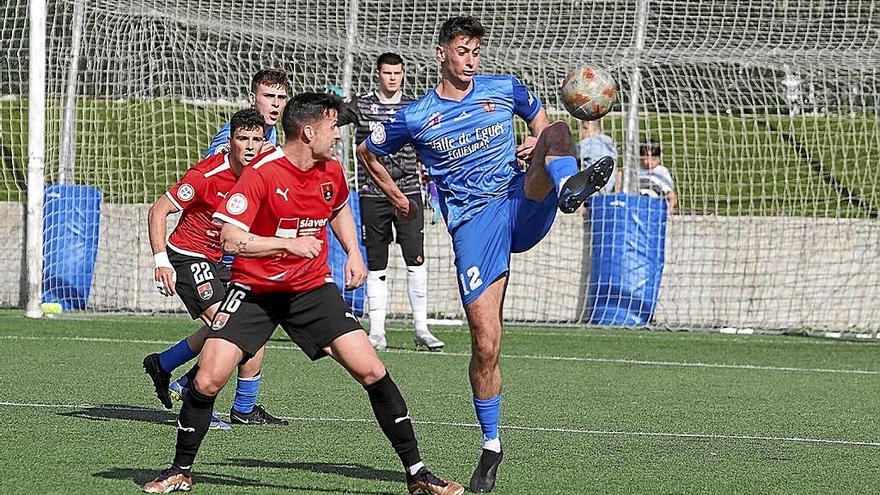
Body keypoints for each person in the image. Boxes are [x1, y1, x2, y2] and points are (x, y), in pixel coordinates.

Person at [143, 92, 463, 495]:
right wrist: (285, 246)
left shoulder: (330, 169)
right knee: (207, 380)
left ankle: (418, 475)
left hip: (311, 289)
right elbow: (230, 239)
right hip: (254, 291)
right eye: (333, 128)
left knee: (372, 370)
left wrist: (352, 253)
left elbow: (340, 207)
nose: (338, 136)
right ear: (309, 132)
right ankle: (180, 470)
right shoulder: (260, 173)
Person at [356, 16, 613, 493]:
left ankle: (568, 186)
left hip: (519, 199)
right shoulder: (416, 116)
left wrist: (535, 141)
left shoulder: (503, 89)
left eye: (476, 51)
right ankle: (492, 445)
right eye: (462, 51)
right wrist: (396, 197)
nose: (470, 60)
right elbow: (368, 152)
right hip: (474, 227)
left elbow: (539, 123)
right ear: (441, 54)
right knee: (486, 343)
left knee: (557, 131)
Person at [144, 69, 291, 430]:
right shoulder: (218, 159)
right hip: (192, 255)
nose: (251, 146)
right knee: (229, 329)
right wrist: (160, 260)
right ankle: (195, 397)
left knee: (253, 327)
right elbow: (163, 208)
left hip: (225, 255)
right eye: (268, 96)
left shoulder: (268, 148)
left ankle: (170, 369)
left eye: (281, 97)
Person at [337, 52, 444, 352]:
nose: (393, 78)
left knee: (416, 259)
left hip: (409, 191)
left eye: (397, 73)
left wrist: (434, 183)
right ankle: (377, 331)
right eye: (387, 73)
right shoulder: (361, 105)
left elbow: (429, 144)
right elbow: (331, 120)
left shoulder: (414, 106)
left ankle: (421, 328)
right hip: (373, 194)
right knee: (376, 262)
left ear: (403, 74)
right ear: (378, 74)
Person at [615, 138, 677, 213]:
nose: (649, 162)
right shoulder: (636, 169)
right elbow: (621, 174)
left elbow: (670, 194)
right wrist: (618, 188)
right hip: (635, 202)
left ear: (659, 159)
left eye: (653, 159)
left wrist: (670, 208)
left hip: (654, 205)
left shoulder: (662, 171)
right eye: (646, 158)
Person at [578, 119, 617, 195]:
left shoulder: (587, 144)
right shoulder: (609, 142)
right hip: (608, 189)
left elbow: (572, 155)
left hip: (592, 192)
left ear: (586, 127)